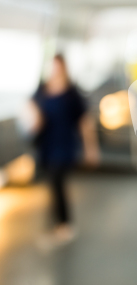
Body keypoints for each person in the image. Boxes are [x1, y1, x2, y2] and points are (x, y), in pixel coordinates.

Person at [30, 54, 99, 244]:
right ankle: (58, 223)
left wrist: (90, 148)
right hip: (47, 144)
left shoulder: (71, 93)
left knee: (57, 181)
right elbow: (31, 108)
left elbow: (84, 122)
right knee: (52, 184)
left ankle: (64, 224)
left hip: (65, 144)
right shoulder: (43, 89)